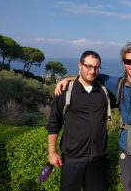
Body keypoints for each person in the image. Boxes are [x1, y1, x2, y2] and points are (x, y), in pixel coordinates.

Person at [55, 42, 131, 191]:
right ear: (124, 63)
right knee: (129, 188)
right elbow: (90, 75)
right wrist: (68, 79)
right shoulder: (118, 84)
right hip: (126, 149)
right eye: (128, 61)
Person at [47, 50, 112, 191]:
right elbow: (54, 123)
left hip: (98, 160)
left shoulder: (104, 92)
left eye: (96, 67)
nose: (92, 70)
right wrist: (52, 153)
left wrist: (69, 78)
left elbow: (128, 82)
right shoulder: (65, 92)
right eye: (88, 66)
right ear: (80, 65)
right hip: (72, 160)